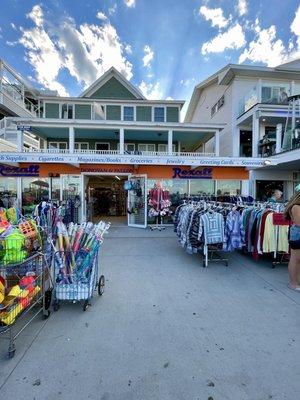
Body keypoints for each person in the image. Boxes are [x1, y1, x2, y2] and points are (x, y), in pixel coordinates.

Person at [284, 191, 300, 291]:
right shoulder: (296, 207)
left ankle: (296, 281)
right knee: (295, 259)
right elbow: (299, 222)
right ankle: (293, 283)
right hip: (298, 234)